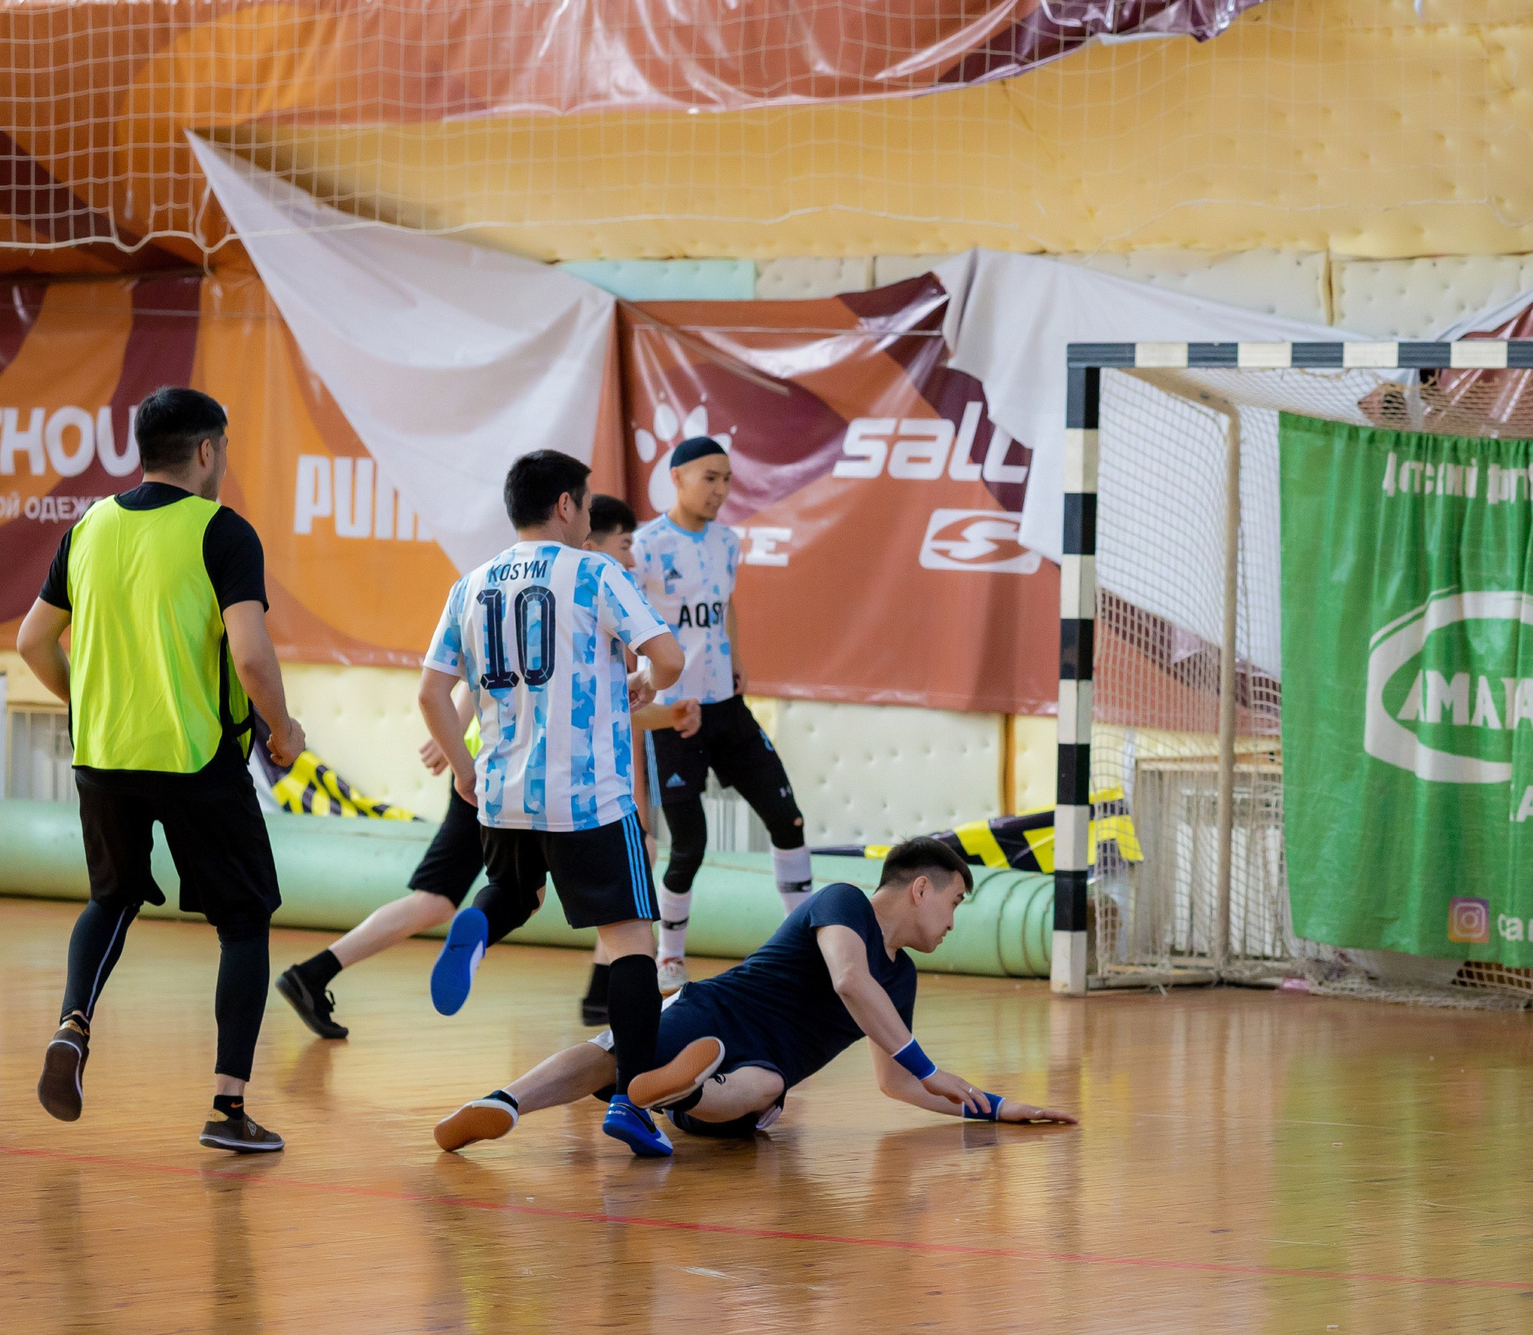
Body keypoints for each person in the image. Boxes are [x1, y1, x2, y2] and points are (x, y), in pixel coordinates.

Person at [16, 386, 309, 1153]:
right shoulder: (223, 531)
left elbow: (32, 641)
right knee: (243, 921)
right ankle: (227, 1109)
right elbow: (249, 653)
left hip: (103, 754)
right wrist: (284, 730)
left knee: (110, 897)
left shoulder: (87, 528)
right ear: (207, 451)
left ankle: (74, 1024)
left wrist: (91, 704)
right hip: (197, 758)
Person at [273, 497, 680, 1038]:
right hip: (543, 779)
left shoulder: (493, 584)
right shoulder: (593, 583)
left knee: (485, 896)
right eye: (624, 543)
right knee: (611, 905)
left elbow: (479, 675)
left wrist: (457, 739)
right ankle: (604, 999)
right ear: (584, 531)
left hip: (493, 773)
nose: (631, 556)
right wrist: (672, 711)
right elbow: (589, 704)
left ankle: (318, 970)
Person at [433, 836, 1074, 1157]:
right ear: (920, 889)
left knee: (765, 1089)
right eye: (955, 903)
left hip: (754, 1080)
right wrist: (931, 1067)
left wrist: (992, 1106)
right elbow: (849, 981)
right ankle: (503, 1104)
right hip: (717, 1009)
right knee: (617, 1050)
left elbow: (894, 1084)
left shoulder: (901, 979)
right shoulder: (842, 902)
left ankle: (676, 1089)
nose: (954, 923)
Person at [417, 450, 690, 1158]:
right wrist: (648, 683)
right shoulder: (599, 572)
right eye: (589, 502)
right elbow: (669, 657)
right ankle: (632, 1100)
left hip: (505, 791)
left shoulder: (470, 584)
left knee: (515, 887)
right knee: (631, 938)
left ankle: (476, 924)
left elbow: (430, 694)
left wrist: (465, 767)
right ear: (567, 506)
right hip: (589, 795)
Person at [631, 437, 809, 989]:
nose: (721, 490)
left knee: (788, 820)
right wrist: (638, 682)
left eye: (728, 479)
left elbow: (726, 603)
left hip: (728, 709)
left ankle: (803, 945)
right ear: (677, 478)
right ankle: (670, 957)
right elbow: (626, 624)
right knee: (691, 843)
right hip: (675, 714)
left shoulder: (727, 542)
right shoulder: (644, 547)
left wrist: (737, 657)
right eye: (710, 477)